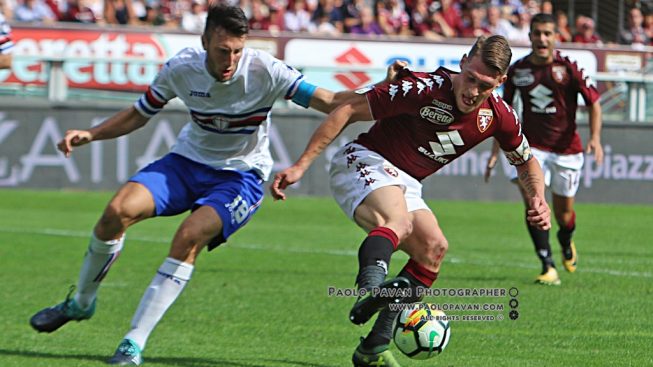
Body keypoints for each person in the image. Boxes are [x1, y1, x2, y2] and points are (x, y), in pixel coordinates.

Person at [28, 3, 401, 365]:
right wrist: (91, 135)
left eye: (238, 51)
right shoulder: (181, 69)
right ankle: (80, 302)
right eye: (223, 51)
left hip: (242, 176)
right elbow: (139, 115)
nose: (231, 61)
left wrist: (382, 89)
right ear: (205, 41)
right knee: (115, 213)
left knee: (188, 235)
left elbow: (332, 100)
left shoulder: (266, 71)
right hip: (186, 163)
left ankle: (132, 343)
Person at [271, 35, 551, 366]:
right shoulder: (422, 88)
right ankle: (373, 289)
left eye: (485, 85)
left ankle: (373, 346)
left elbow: (525, 159)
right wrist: (302, 164)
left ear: (501, 82)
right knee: (399, 223)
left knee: (434, 249)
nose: (473, 91)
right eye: (471, 78)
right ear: (463, 63)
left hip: (406, 182)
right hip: (364, 160)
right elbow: (348, 108)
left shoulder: (499, 115)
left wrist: (538, 198)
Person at [485, 13, 603, 286]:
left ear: (555, 37)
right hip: (532, 149)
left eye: (547, 33)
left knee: (563, 215)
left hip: (567, 150)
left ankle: (566, 240)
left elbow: (594, 102)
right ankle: (547, 264)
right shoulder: (518, 70)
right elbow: (504, 112)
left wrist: (595, 137)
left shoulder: (569, 68)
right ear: (530, 37)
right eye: (537, 33)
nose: (542, 38)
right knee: (534, 203)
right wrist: (495, 151)